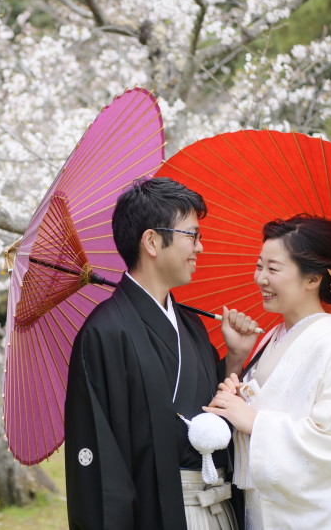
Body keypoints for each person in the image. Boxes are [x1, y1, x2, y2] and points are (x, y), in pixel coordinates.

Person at [64, 177, 258, 529]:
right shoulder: (105, 333)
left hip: (219, 506)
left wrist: (234, 359)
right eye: (192, 235)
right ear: (152, 241)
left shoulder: (191, 326)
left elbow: (210, 413)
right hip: (160, 514)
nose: (200, 247)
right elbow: (101, 460)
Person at [205, 215, 331, 529]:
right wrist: (237, 357)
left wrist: (255, 422)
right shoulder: (270, 339)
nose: (261, 278)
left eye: (273, 269)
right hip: (264, 511)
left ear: (313, 279)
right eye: (259, 265)